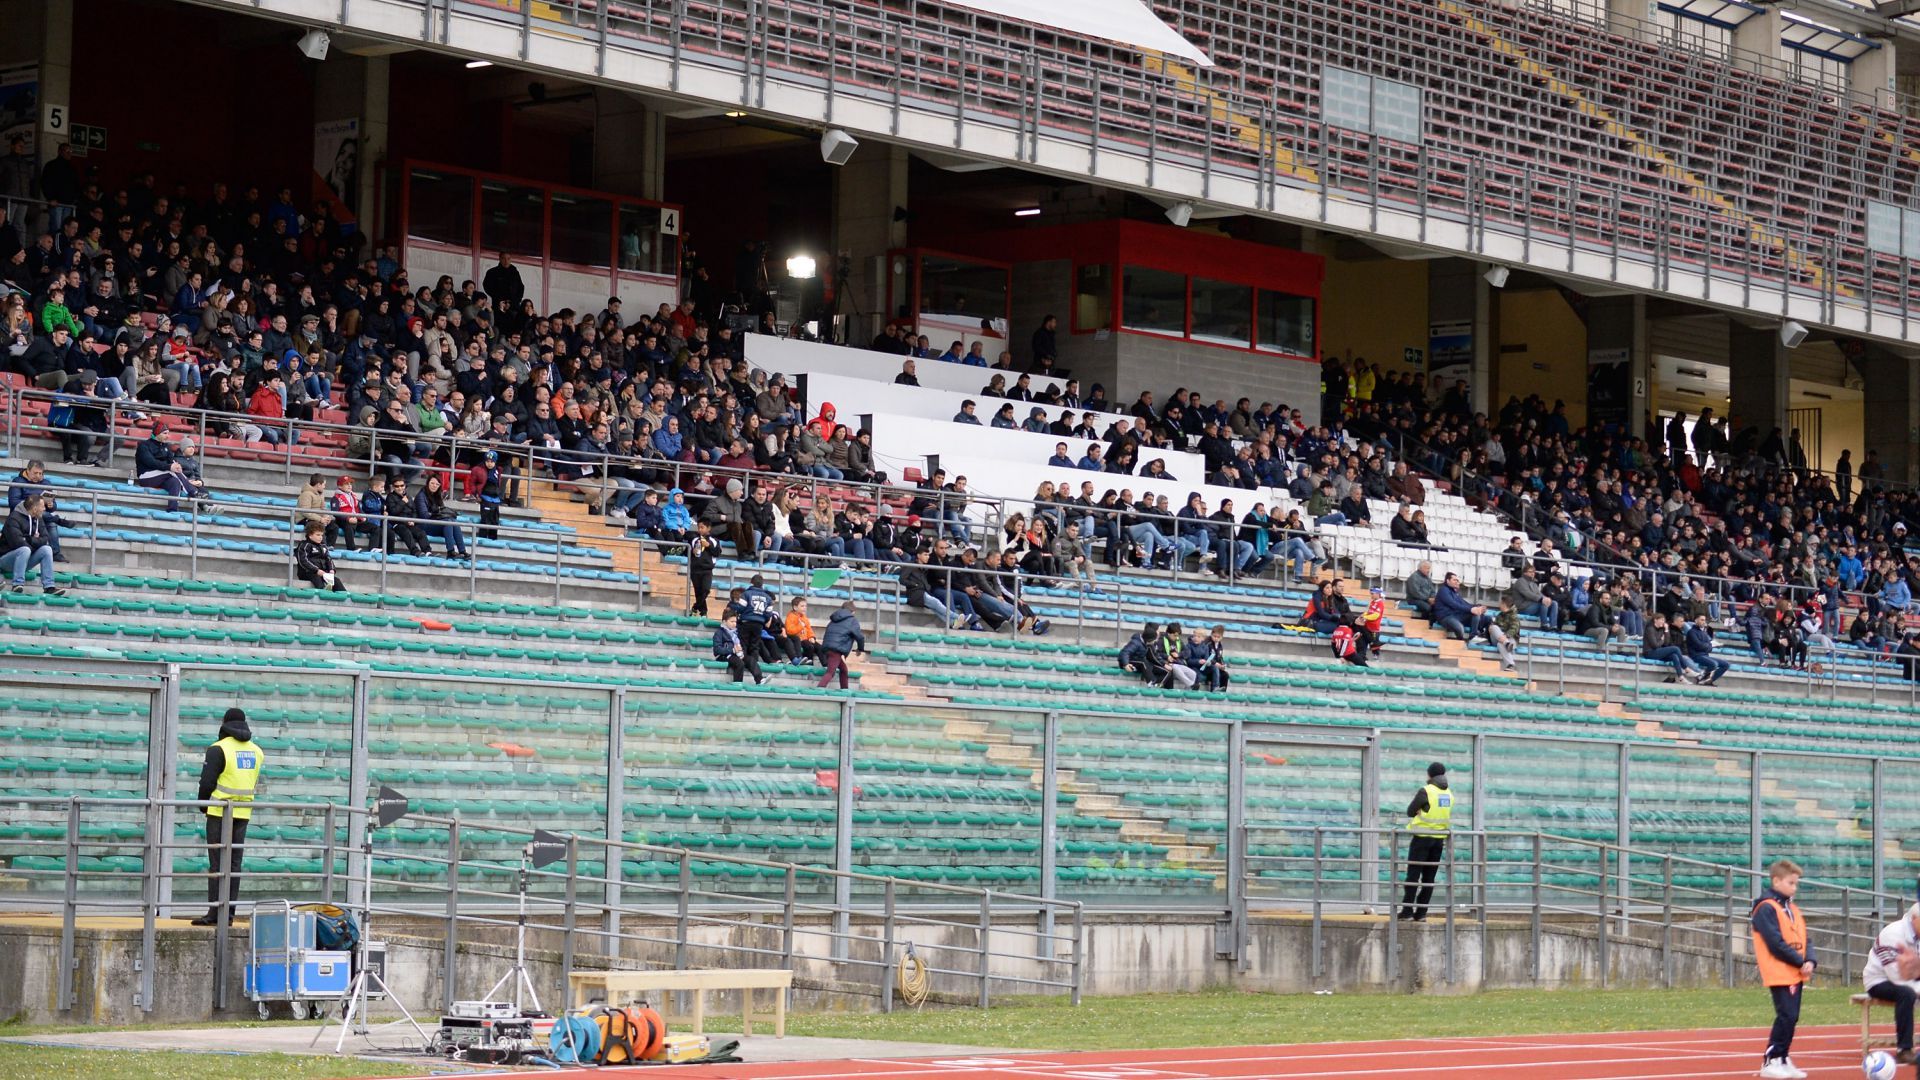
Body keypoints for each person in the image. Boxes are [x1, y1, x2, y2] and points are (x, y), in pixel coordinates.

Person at [192, 708, 264, 926]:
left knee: (217, 865)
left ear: (224, 724)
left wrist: (204, 805)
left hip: (219, 811)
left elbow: (207, 783)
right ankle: (229, 915)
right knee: (233, 866)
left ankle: (214, 914)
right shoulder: (257, 751)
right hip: (243, 813)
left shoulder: (217, 749)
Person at [1751, 859, 1815, 1079]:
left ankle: (1783, 1057)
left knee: (1792, 1016)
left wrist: (1811, 960)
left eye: (1796, 884)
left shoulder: (1792, 908)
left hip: (1795, 971)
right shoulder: (1765, 908)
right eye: (1791, 883)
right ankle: (1771, 1059)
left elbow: (1807, 938)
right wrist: (1800, 961)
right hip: (1779, 970)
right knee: (1786, 1015)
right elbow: (1775, 943)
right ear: (1776, 881)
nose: (1794, 888)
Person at [1864, 904, 1920, 1067]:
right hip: (1879, 981)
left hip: (1906, 979)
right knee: (1906, 994)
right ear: (1915, 919)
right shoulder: (1892, 934)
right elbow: (1897, 977)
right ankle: (1905, 1050)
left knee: (1909, 991)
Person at [1397, 762, 1453, 922]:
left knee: (1413, 876)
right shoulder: (1449, 794)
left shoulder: (1426, 791)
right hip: (1438, 841)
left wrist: (1418, 810)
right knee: (1429, 878)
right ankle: (1421, 914)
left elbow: (1410, 811)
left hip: (1422, 838)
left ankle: (1407, 911)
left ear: (1430, 775)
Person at [0, 493, 62, 595]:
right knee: (24, 550)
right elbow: (18, 543)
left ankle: (49, 586)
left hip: (25, 559)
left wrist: (29, 540)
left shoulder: (38, 518)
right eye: (42, 507)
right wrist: (34, 540)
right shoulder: (13, 518)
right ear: (34, 508)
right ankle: (17, 584)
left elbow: (45, 538)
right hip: (5, 560)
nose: (44, 509)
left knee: (47, 549)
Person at [818, 601, 865, 690]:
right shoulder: (852, 620)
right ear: (853, 611)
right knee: (830, 672)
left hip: (827, 647)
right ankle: (818, 690)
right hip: (836, 650)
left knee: (843, 670)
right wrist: (860, 649)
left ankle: (844, 690)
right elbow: (860, 637)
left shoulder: (834, 619)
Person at [712, 611, 764, 684]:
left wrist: (740, 651)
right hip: (724, 656)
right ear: (724, 621)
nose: (734, 624)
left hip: (736, 654)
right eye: (732, 621)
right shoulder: (719, 632)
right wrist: (732, 650)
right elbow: (717, 650)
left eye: (735, 622)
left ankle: (759, 679)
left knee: (750, 660)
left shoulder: (737, 632)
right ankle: (737, 683)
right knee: (740, 663)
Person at [294, 520, 346, 593]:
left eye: (321, 535)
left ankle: (343, 598)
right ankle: (323, 595)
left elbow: (329, 559)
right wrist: (317, 570)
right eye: (318, 535)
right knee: (318, 580)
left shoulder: (323, 546)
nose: (320, 537)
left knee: (336, 581)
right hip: (308, 573)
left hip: (323, 573)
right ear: (310, 535)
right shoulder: (304, 545)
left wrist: (332, 570)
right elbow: (303, 561)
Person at [1685, 612, 1731, 685]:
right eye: (1702, 620)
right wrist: (1707, 646)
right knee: (1714, 664)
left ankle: (1709, 681)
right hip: (1696, 656)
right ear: (1696, 621)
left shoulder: (1704, 633)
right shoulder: (1691, 632)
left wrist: (1707, 646)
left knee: (1726, 664)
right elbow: (1699, 646)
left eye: (1704, 620)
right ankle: (1701, 678)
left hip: (1705, 655)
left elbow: (1709, 647)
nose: (1704, 622)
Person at [686, 521, 719, 616]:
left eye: (702, 527)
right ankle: (703, 612)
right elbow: (688, 552)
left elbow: (717, 553)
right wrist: (693, 551)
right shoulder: (694, 539)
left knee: (705, 590)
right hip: (695, 569)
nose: (700, 529)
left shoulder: (714, 540)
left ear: (708, 528)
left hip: (707, 570)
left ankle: (695, 607)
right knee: (698, 591)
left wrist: (709, 546)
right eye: (698, 527)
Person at [782, 597, 822, 666]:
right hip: (799, 640)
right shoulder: (791, 617)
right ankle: (808, 663)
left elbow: (809, 629)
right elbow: (790, 631)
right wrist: (800, 626)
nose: (804, 608)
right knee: (809, 647)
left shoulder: (804, 618)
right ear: (795, 607)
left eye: (805, 606)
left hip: (806, 639)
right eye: (802, 606)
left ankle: (825, 664)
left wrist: (812, 637)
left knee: (819, 647)